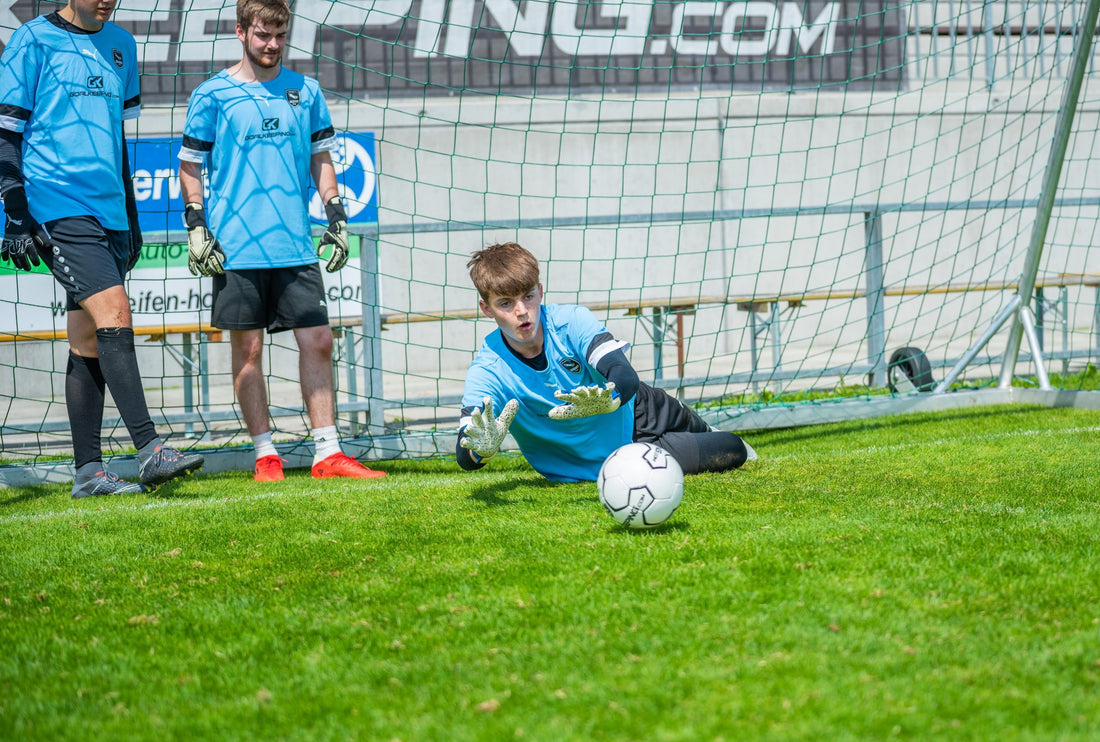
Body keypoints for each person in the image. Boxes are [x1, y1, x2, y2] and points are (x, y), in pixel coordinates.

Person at [0, 0, 204, 498]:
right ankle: (150, 449)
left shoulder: (121, 45)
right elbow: (5, 133)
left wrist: (130, 216)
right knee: (115, 313)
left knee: (87, 340)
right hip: (56, 204)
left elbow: (116, 137)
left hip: (110, 210)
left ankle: (89, 473)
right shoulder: (32, 40)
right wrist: (16, 212)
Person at [177, 0, 385, 482]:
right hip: (236, 247)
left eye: (280, 35)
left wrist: (335, 214)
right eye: (263, 35)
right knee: (248, 351)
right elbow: (189, 165)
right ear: (240, 32)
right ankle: (265, 454)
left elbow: (321, 157)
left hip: (294, 244)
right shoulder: (212, 94)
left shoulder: (305, 91)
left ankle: (327, 452)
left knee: (319, 340)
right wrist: (196, 225)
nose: (272, 44)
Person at [457, 241, 756, 482]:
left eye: (528, 296)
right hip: (622, 457)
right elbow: (465, 449)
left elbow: (622, 373)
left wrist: (609, 400)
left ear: (541, 291)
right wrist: (480, 451)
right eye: (506, 303)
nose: (522, 311)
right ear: (486, 309)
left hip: (639, 408)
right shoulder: (487, 371)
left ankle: (704, 431)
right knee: (732, 449)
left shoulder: (571, 321)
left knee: (712, 435)